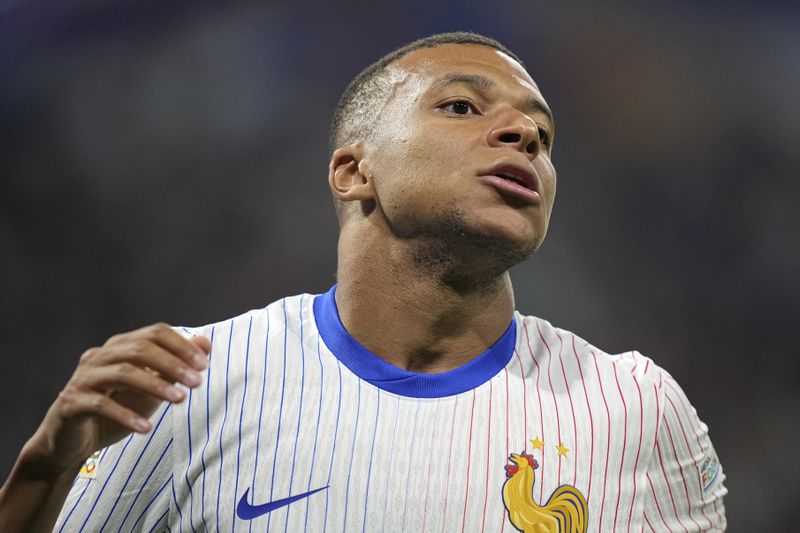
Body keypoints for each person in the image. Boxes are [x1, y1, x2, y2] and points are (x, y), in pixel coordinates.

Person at [0, 32, 726, 532]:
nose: (525, 136)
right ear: (354, 171)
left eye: (542, 133)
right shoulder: (190, 383)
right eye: (462, 107)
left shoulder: (634, 408)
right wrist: (45, 466)